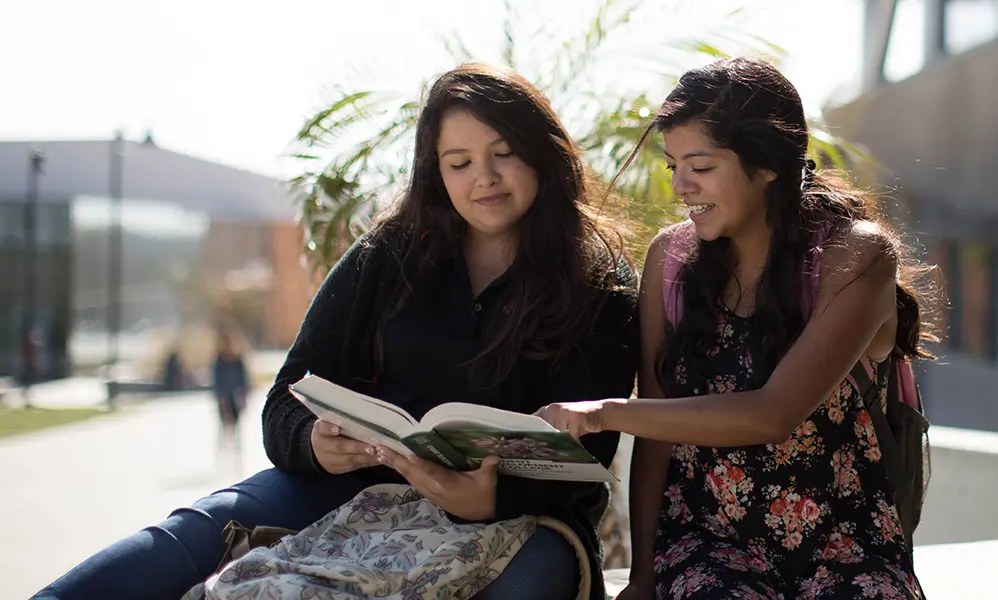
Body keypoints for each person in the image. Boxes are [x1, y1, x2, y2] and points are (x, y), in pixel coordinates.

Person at [34, 62, 638, 600]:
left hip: (527, 520)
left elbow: (587, 458)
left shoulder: (599, 278)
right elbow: (284, 402)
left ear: (542, 153)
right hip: (356, 490)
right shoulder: (388, 256)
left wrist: (488, 500)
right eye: (459, 163)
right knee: (197, 528)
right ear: (436, 171)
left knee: (525, 585)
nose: (484, 177)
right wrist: (314, 444)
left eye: (503, 152)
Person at [537, 57, 936, 599]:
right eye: (672, 164)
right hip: (709, 543)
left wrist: (605, 413)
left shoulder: (855, 256)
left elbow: (773, 414)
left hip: (848, 545)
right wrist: (643, 576)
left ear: (767, 162)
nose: (681, 186)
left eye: (700, 167)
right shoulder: (671, 261)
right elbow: (658, 436)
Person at [212, 329, 249, 465]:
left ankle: (237, 456)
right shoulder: (219, 360)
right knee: (224, 426)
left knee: (237, 426)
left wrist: (244, 395)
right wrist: (220, 398)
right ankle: (222, 455)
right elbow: (216, 381)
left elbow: (244, 380)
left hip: (236, 398)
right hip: (224, 398)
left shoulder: (238, 360)